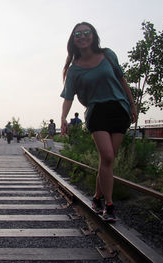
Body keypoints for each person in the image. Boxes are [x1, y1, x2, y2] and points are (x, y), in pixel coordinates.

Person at [60, 22, 137, 222]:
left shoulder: (108, 55)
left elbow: (122, 81)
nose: (83, 36)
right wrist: (63, 118)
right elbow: (68, 97)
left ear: (93, 36)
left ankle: (96, 198)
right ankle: (109, 205)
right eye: (78, 34)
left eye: (87, 32)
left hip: (119, 109)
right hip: (96, 112)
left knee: (107, 161)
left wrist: (132, 104)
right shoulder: (73, 70)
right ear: (73, 39)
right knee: (108, 156)